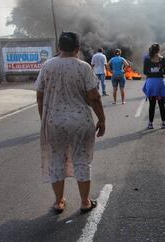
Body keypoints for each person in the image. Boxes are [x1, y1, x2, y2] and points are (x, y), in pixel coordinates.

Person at [35, 32, 106, 214]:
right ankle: (85, 202)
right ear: (77, 49)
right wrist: (102, 119)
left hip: (54, 122)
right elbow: (94, 97)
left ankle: (59, 202)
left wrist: (44, 118)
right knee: (82, 160)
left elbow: (40, 95)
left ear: (59, 47)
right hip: (80, 121)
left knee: (56, 159)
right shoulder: (83, 67)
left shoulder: (47, 66)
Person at [142, 43, 165, 129]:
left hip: (151, 83)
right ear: (159, 50)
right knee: (162, 104)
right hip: (160, 83)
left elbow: (145, 72)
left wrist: (152, 72)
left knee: (152, 105)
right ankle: (163, 123)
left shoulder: (147, 59)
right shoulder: (162, 59)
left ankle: (150, 124)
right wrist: (158, 72)